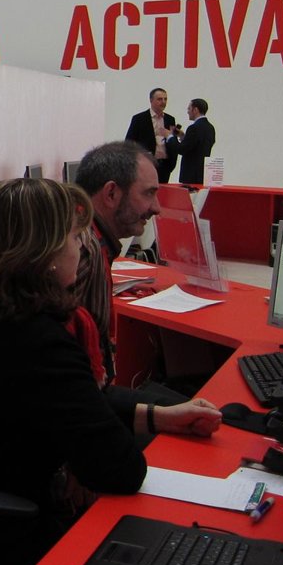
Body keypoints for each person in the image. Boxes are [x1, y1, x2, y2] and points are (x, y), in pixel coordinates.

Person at [0, 178, 220, 565]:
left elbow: (71, 400)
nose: (81, 249)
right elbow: (121, 469)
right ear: (43, 255)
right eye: (74, 237)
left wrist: (157, 415)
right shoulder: (35, 340)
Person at [73, 141, 163, 385]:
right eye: (149, 193)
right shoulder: (84, 251)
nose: (157, 208)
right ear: (111, 193)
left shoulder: (85, 238)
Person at [124, 88, 176, 183]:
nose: (163, 102)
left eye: (165, 99)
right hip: (146, 164)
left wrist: (172, 163)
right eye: (159, 99)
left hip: (165, 165)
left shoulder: (170, 119)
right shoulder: (139, 118)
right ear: (151, 100)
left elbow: (172, 141)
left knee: (163, 190)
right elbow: (129, 142)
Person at [169, 98, 216, 186]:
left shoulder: (193, 128)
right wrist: (183, 137)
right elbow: (197, 145)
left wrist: (171, 136)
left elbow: (182, 149)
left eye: (189, 108)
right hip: (203, 173)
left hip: (191, 174)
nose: (188, 111)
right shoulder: (210, 128)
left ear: (195, 110)